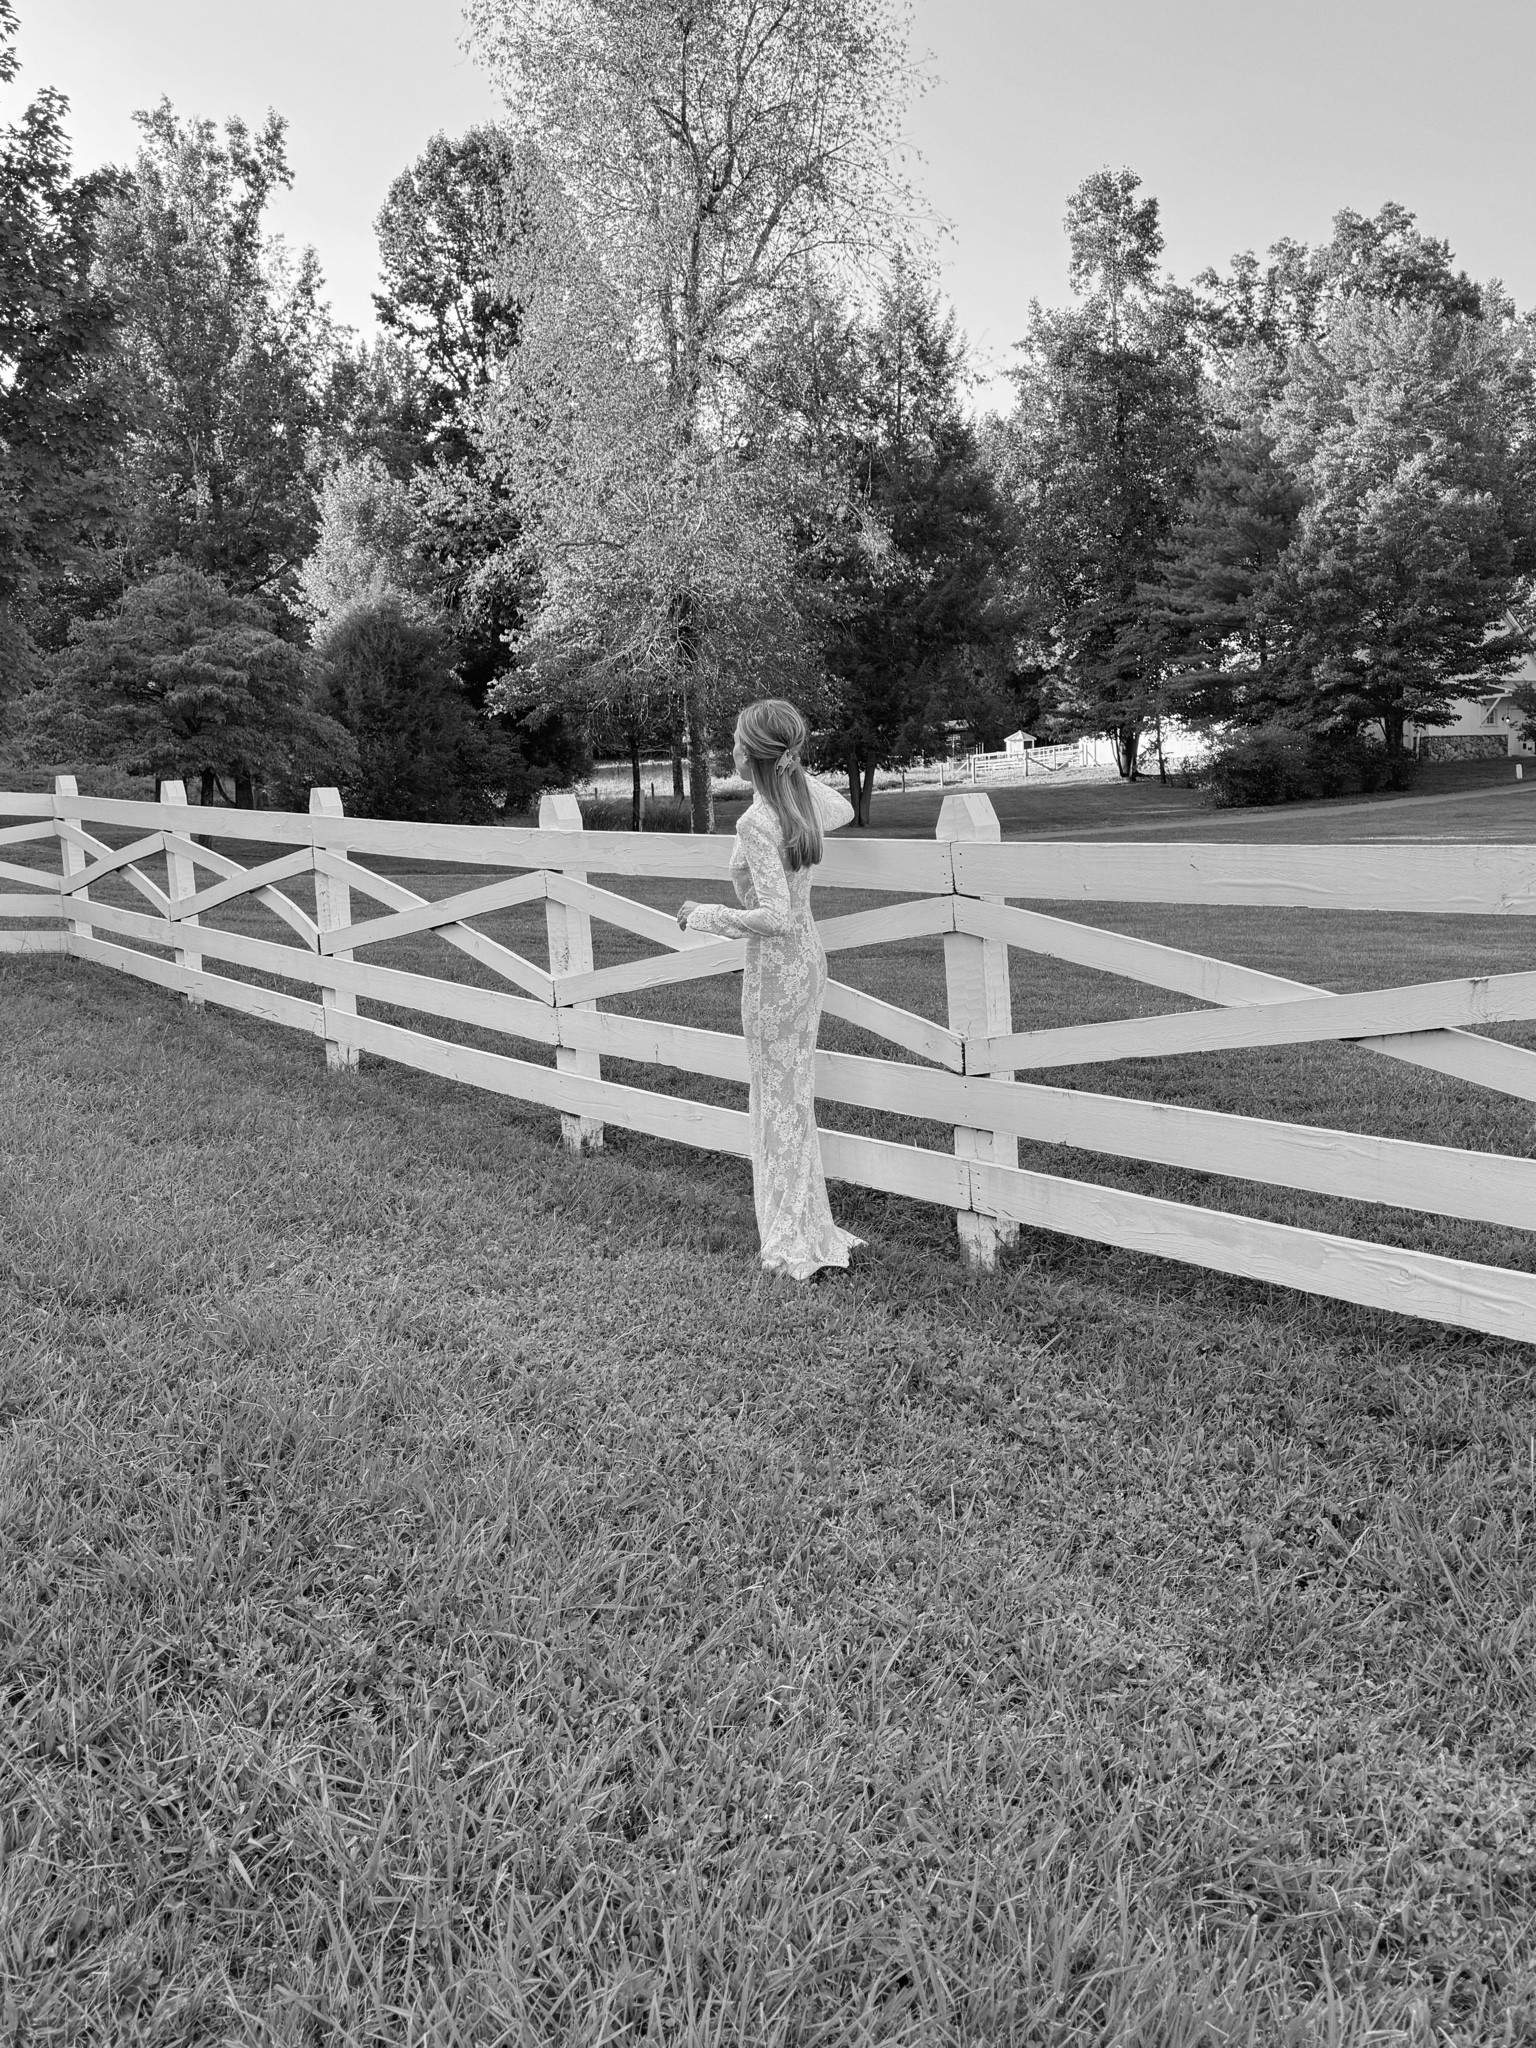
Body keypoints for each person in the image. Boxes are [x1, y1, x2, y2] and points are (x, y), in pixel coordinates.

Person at [677, 699, 862, 1281]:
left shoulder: (757, 822)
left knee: (777, 1101)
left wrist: (704, 915)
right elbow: (844, 805)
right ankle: (804, 1224)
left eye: (734, 741)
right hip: (808, 964)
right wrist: (790, 772)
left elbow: (774, 915)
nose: (727, 749)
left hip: (777, 972)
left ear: (750, 754)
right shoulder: (800, 803)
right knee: (791, 1098)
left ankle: (788, 1239)